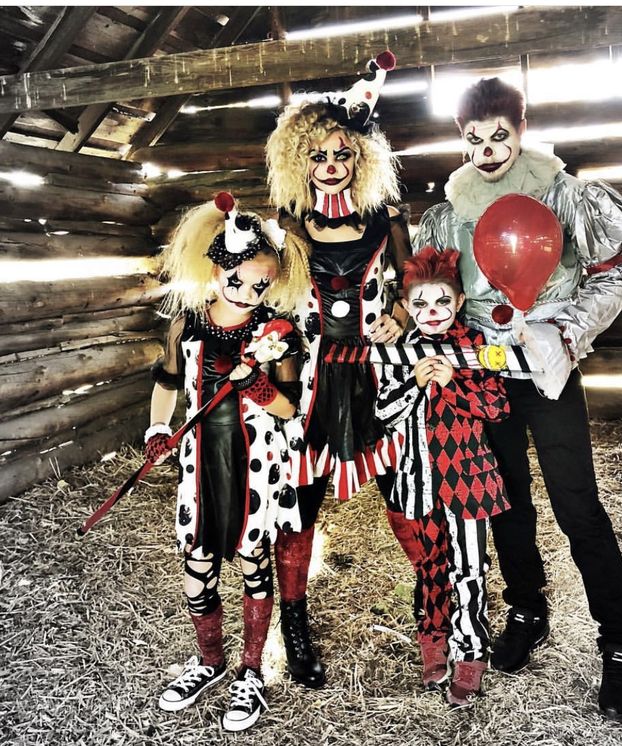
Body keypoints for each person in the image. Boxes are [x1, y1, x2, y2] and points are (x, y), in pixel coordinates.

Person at [414, 77, 622, 721]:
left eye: (499, 136)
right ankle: (528, 607)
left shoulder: (563, 194)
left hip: (547, 371)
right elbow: (435, 295)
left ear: (520, 129)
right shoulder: (449, 211)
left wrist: (565, 333)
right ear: (461, 140)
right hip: (484, 377)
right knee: (506, 503)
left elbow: (616, 273)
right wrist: (428, 340)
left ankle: (620, 644)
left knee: (577, 506)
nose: (488, 150)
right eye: (473, 139)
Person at [265, 51, 427, 661]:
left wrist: (402, 317)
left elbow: (417, 283)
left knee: (399, 494)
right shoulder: (287, 225)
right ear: (298, 159)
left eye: (343, 155)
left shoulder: (388, 219)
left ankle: (432, 603)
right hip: (306, 379)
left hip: (377, 377)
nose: (331, 166)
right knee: (298, 502)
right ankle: (295, 622)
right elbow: (265, 294)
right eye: (319, 155)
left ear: (361, 160)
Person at [144, 192, 312, 731]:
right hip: (200, 463)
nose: (247, 292)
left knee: (253, 562)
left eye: (260, 284)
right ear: (214, 270)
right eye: (236, 280)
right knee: (198, 564)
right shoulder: (187, 326)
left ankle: (251, 671)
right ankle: (210, 661)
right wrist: (157, 428)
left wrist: (259, 386)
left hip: (257, 463)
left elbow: (291, 409)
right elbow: (167, 383)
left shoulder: (278, 335)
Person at [374, 246, 510, 707]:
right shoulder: (399, 352)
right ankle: (433, 639)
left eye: (440, 303)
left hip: (467, 478)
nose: (431, 313)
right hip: (418, 479)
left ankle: (471, 651)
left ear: (456, 302)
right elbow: (385, 413)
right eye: (420, 305)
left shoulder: (475, 347)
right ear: (408, 307)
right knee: (430, 564)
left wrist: (454, 381)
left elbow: (496, 407)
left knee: (469, 569)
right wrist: (413, 380)